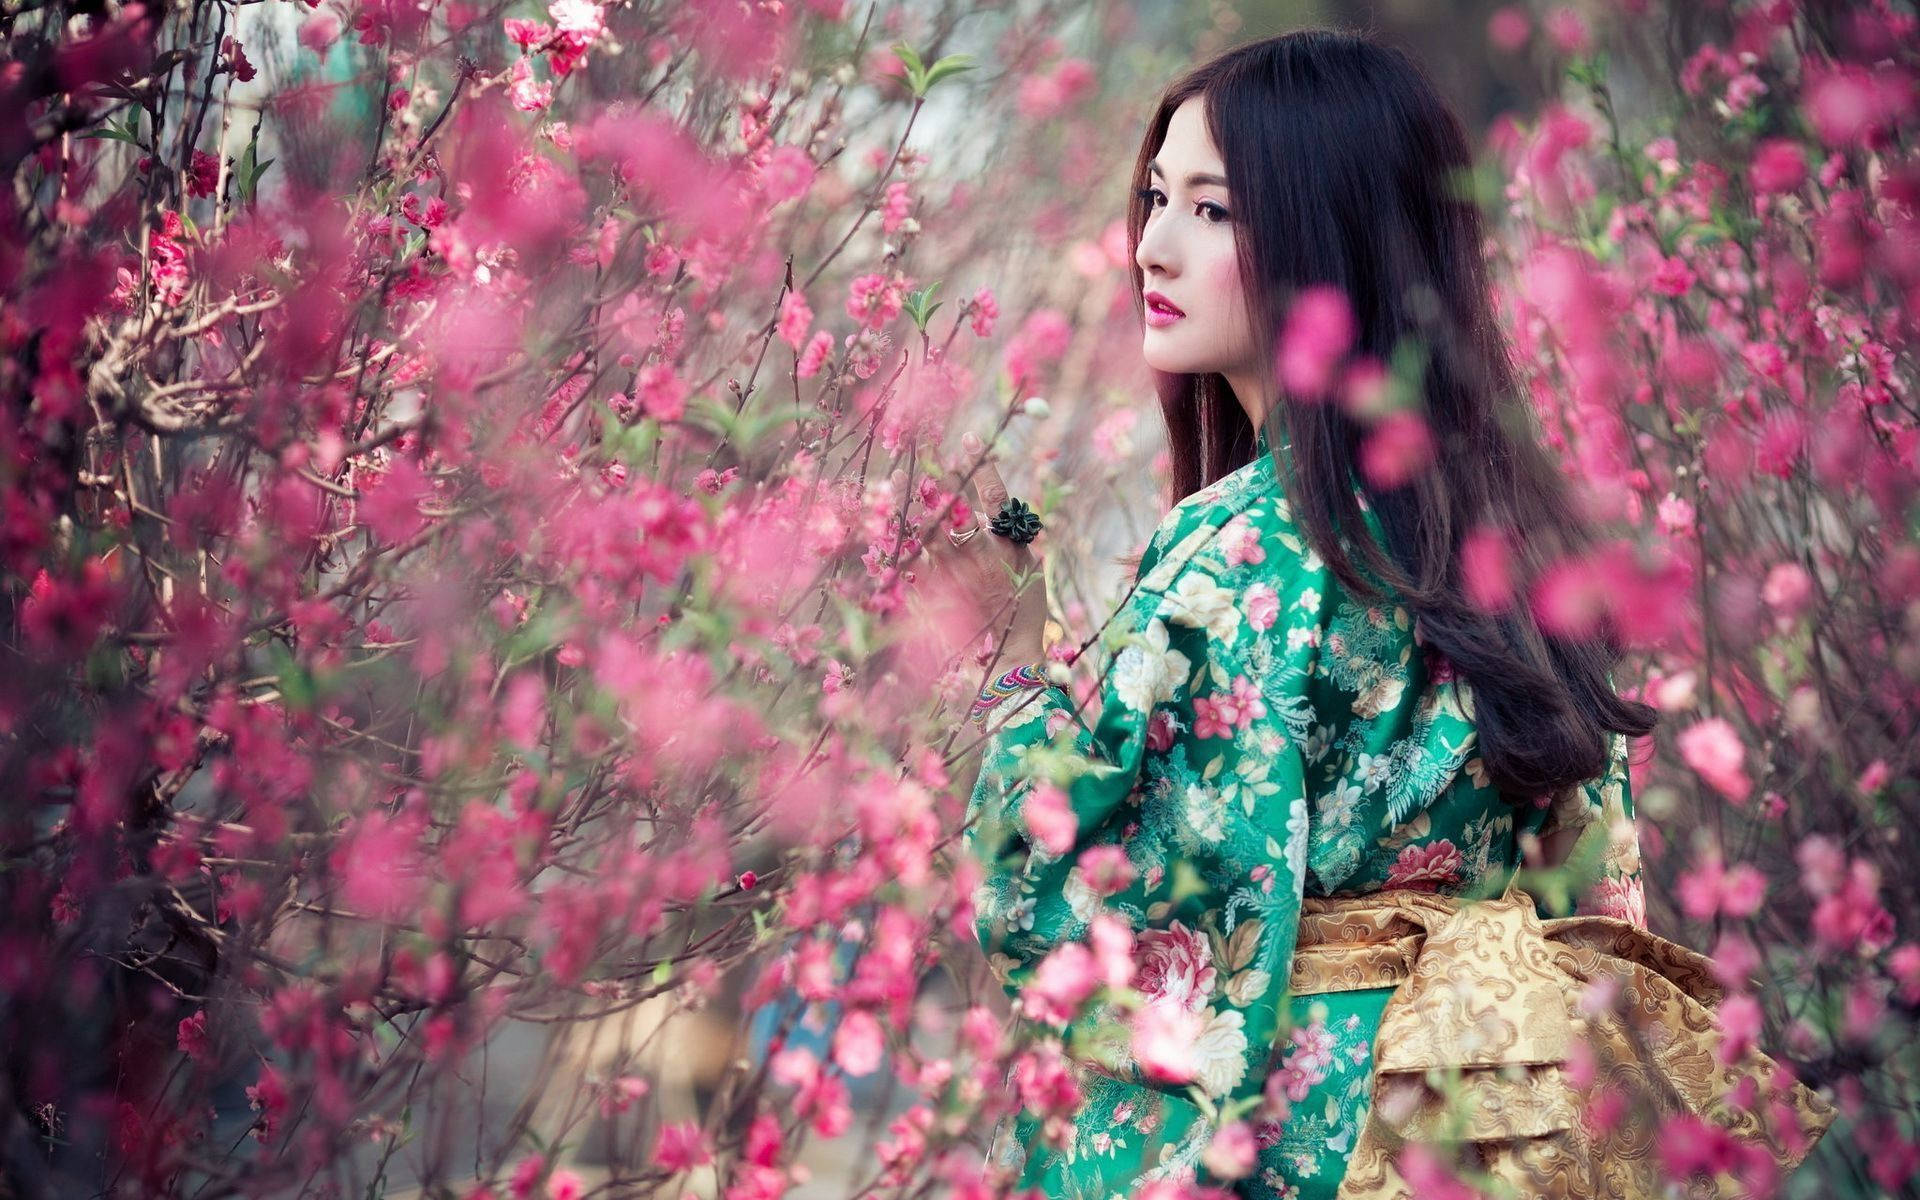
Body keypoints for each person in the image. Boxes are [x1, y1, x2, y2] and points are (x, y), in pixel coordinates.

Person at [944, 28, 1833, 1200]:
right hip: (1486, 1110)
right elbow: (1596, 884)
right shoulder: (1504, 536)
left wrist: (1022, 689)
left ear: (1330, 238)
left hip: (1307, 1125)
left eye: (1214, 211)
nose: (1152, 245)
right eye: (1156, 197)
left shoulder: (1243, 546)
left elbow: (1048, 869)